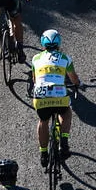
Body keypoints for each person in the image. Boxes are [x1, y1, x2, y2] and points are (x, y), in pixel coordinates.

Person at [31, 30, 79, 167]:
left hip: (41, 96)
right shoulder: (65, 58)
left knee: (43, 121)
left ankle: (43, 153)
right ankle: (64, 142)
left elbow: (35, 80)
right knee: (66, 112)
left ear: (43, 43)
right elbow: (73, 78)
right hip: (59, 95)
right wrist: (77, 84)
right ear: (59, 43)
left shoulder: (35, 59)